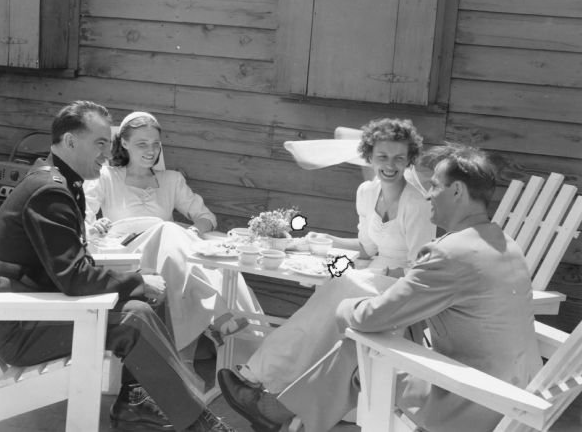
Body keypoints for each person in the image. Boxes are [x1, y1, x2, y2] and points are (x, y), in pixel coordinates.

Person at [226, 143, 543, 432]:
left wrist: (343, 308)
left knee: (363, 341)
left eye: (433, 186)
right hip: (516, 395)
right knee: (375, 340)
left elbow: (370, 317)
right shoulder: (505, 243)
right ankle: (283, 414)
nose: (428, 194)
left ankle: (278, 413)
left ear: (457, 191)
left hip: (471, 399)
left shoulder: (451, 253)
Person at [0, 101, 234, 432]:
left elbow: (71, 267)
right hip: (16, 326)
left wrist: (139, 286)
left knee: (143, 304)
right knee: (133, 316)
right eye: (99, 143)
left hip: (29, 311)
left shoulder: (61, 183)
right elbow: (74, 277)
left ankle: (137, 404)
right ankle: (198, 423)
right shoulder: (49, 191)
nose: (106, 151)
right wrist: (139, 281)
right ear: (71, 141)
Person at [217, 118, 437, 431]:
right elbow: (366, 244)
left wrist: (377, 272)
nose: (390, 165)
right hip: (372, 274)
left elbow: (419, 268)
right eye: (383, 157)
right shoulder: (367, 191)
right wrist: (320, 239)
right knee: (324, 300)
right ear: (369, 156)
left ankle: (258, 377)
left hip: (399, 288)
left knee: (338, 291)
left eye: (399, 158)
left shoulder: (417, 204)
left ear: (409, 159)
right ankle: (273, 389)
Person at [84, 111, 259, 351]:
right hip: (129, 254)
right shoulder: (106, 176)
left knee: (173, 234)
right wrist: (95, 226)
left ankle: (218, 322)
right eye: (142, 144)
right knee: (167, 228)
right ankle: (217, 313)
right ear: (124, 143)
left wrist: (196, 232)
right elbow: (84, 214)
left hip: (169, 254)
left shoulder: (172, 180)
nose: (151, 150)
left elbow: (206, 217)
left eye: (156, 144)